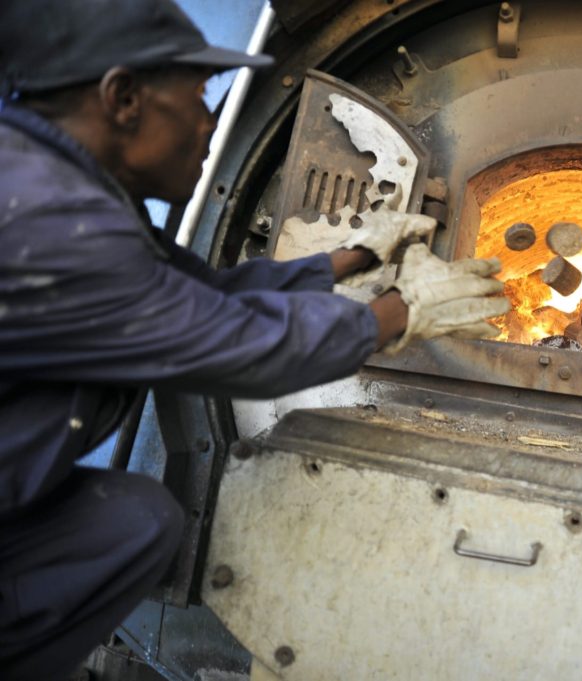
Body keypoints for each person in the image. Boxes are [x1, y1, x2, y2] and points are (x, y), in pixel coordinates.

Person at [0, 0, 509, 678]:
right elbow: (230, 342)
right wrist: (398, 312)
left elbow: (199, 295)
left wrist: (352, 257)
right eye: (199, 98)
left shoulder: (59, 189)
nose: (211, 124)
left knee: (137, 518)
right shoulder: (50, 223)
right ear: (122, 97)